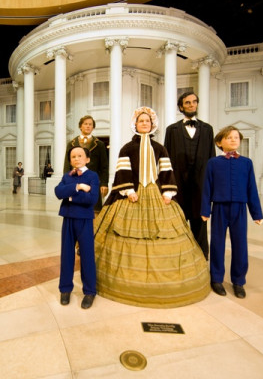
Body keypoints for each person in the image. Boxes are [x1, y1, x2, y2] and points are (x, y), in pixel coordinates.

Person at [94, 107, 210, 308]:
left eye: (148, 121)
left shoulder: (160, 148)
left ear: (152, 124)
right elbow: (123, 171)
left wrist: (167, 192)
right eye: (141, 121)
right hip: (133, 193)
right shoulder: (126, 148)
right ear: (135, 124)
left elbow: (166, 170)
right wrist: (129, 190)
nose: (145, 124)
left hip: (155, 192)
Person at [201, 126, 263, 299]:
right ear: (219, 142)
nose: (233, 140)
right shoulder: (213, 163)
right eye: (229, 137)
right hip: (219, 208)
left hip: (239, 209)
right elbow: (207, 188)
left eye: (236, 137)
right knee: (217, 244)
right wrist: (206, 210)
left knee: (240, 245)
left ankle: (238, 281)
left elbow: (252, 189)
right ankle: (216, 279)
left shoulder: (246, 163)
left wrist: (256, 213)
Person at [164, 91, 215, 260]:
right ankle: (177, 258)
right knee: (177, 223)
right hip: (178, 185)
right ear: (181, 106)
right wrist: (166, 186)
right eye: (187, 103)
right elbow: (166, 160)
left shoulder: (208, 129)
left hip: (201, 186)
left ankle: (201, 260)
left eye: (194, 102)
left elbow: (212, 159)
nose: (192, 105)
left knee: (200, 223)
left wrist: (211, 186)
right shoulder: (171, 130)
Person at [55, 146, 100, 309]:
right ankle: (65, 289)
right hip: (68, 218)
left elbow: (92, 198)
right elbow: (58, 192)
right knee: (66, 255)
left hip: (84, 219)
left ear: (87, 159)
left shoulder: (93, 176)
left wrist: (71, 197)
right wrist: (78, 187)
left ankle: (89, 291)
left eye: (80, 155)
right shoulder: (68, 176)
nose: (76, 158)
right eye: (73, 156)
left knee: (87, 255)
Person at [63, 115, 109, 211]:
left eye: (90, 124)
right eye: (85, 124)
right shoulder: (71, 143)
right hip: (75, 181)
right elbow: (67, 164)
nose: (88, 126)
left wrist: (104, 183)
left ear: (93, 127)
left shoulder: (99, 144)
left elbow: (104, 166)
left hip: (93, 182)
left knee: (94, 211)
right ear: (80, 126)